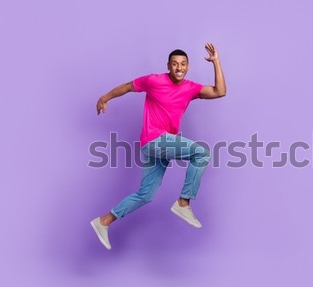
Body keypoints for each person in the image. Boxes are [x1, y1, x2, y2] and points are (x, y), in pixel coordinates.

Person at [90, 43, 226, 250]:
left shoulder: (191, 88)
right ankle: (183, 203)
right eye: (174, 64)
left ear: (188, 67)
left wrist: (216, 61)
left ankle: (103, 222)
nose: (179, 68)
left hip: (160, 146)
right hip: (155, 140)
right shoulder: (154, 81)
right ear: (168, 66)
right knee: (201, 153)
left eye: (183, 64)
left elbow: (220, 91)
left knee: (146, 194)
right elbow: (127, 87)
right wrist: (104, 97)